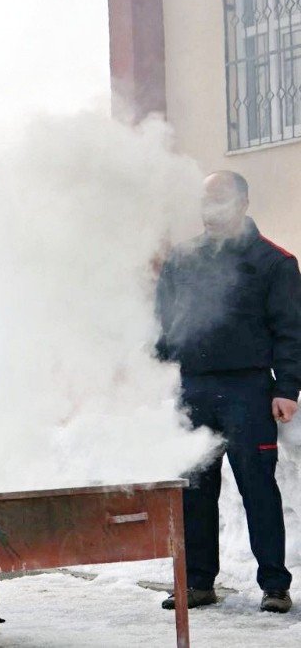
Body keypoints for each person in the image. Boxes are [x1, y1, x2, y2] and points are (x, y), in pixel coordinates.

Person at [156, 171, 301, 613]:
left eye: (218, 202)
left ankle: (274, 584)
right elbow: (163, 323)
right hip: (193, 389)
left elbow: (291, 331)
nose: (209, 211)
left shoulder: (273, 261)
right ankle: (198, 583)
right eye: (204, 202)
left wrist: (288, 388)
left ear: (241, 203)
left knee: (257, 487)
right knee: (194, 491)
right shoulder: (181, 259)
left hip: (249, 390)